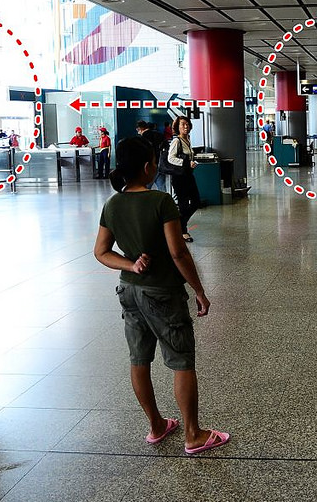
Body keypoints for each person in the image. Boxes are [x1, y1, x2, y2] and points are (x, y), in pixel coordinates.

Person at [93, 136, 229, 453]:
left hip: (128, 290)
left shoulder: (112, 204)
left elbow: (101, 252)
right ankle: (193, 434)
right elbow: (178, 253)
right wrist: (198, 289)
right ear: (147, 167)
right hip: (163, 293)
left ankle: (156, 425)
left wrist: (130, 263)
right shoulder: (160, 201)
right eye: (154, 161)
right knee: (181, 360)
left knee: (139, 359)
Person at [166, 116, 201, 242]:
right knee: (184, 205)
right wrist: (185, 163)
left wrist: (192, 162)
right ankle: (183, 231)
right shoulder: (177, 141)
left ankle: (179, 224)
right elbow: (170, 158)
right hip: (179, 177)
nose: (186, 127)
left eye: (187, 124)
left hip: (188, 176)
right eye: (182, 124)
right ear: (177, 127)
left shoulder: (188, 139)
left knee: (196, 201)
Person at [138, 121, 166, 190]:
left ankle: (146, 200)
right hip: (161, 164)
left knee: (146, 187)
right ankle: (165, 200)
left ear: (140, 128)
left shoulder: (142, 138)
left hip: (150, 167)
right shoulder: (159, 134)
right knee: (162, 187)